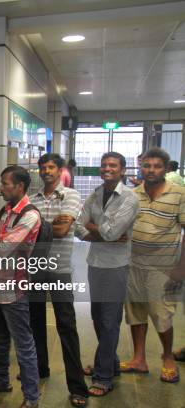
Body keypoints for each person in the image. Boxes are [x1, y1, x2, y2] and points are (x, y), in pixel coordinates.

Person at [0, 166, 40, 408]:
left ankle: (31, 398)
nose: (0, 188)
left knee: (24, 344)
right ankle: (1, 380)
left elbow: (0, 246)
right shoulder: (5, 211)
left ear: (20, 186)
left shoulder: (30, 214)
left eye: (5, 183)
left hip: (14, 288)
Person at [75, 152, 139, 397]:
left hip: (116, 266)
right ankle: (110, 363)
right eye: (103, 165)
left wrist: (95, 228)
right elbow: (78, 228)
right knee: (98, 317)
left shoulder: (129, 199)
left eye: (113, 165)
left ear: (122, 170)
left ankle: (104, 377)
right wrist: (97, 230)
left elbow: (113, 233)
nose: (107, 168)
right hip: (96, 263)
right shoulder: (95, 194)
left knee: (109, 321)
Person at [29, 153, 88, 407]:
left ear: (60, 170)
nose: (46, 171)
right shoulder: (32, 198)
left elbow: (63, 231)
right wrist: (50, 226)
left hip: (60, 268)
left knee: (66, 325)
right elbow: (31, 232)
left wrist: (38, 227)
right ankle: (40, 368)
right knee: (35, 323)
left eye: (51, 167)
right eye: (43, 167)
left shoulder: (71, 195)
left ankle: (77, 387)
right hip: (35, 267)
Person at [122, 147, 184, 384]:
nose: (151, 170)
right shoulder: (133, 194)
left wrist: (181, 268)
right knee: (135, 313)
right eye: (147, 165)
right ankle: (139, 359)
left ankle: (167, 357)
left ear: (166, 169)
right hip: (133, 264)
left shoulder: (179, 194)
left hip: (163, 267)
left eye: (157, 166)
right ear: (141, 166)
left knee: (162, 315)